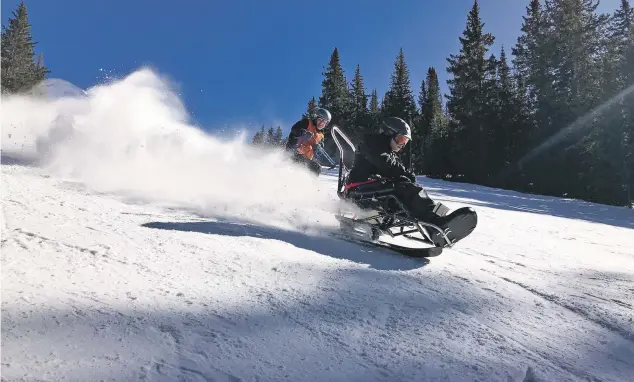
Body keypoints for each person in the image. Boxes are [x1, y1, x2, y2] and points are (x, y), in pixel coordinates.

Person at [345, 117, 454, 232]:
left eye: (405, 142)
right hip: (360, 187)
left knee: (407, 189)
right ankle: (433, 222)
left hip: (372, 186)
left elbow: (392, 166)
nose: (402, 145)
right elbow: (384, 163)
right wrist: (405, 174)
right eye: (401, 139)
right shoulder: (372, 143)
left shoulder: (387, 151)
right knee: (406, 188)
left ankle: (434, 218)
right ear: (388, 133)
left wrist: (406, 176)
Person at [284, 107, 332, 176]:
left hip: (305, 158)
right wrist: (303, 132)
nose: (321, 123)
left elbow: (320, 148)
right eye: (320, 120)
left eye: (324, 122)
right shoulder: (306, 123)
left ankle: (309, 185)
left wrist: (318, 147)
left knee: (316, 168)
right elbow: (294, 129)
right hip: (293, 153)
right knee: (315, 167)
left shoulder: (321, 135)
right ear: (316, 118)